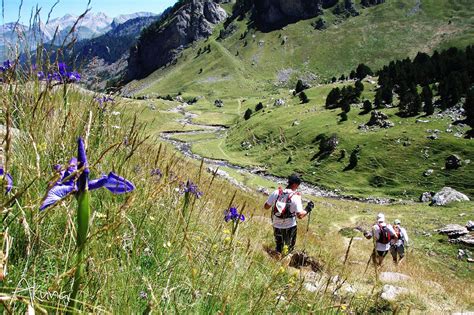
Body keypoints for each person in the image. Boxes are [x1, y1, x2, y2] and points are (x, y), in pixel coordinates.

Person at [263, 174, 313, 254]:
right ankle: (284, 262)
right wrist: (308, 209)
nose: (298, 187)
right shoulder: (295, 196)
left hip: (276, 224)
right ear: (295, 184)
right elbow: (300, 215)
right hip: (290, 226)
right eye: (298, 185)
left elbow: (266, 206)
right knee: (288, 248)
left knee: (279, 247)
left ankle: (276, 260)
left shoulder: (277, 192)